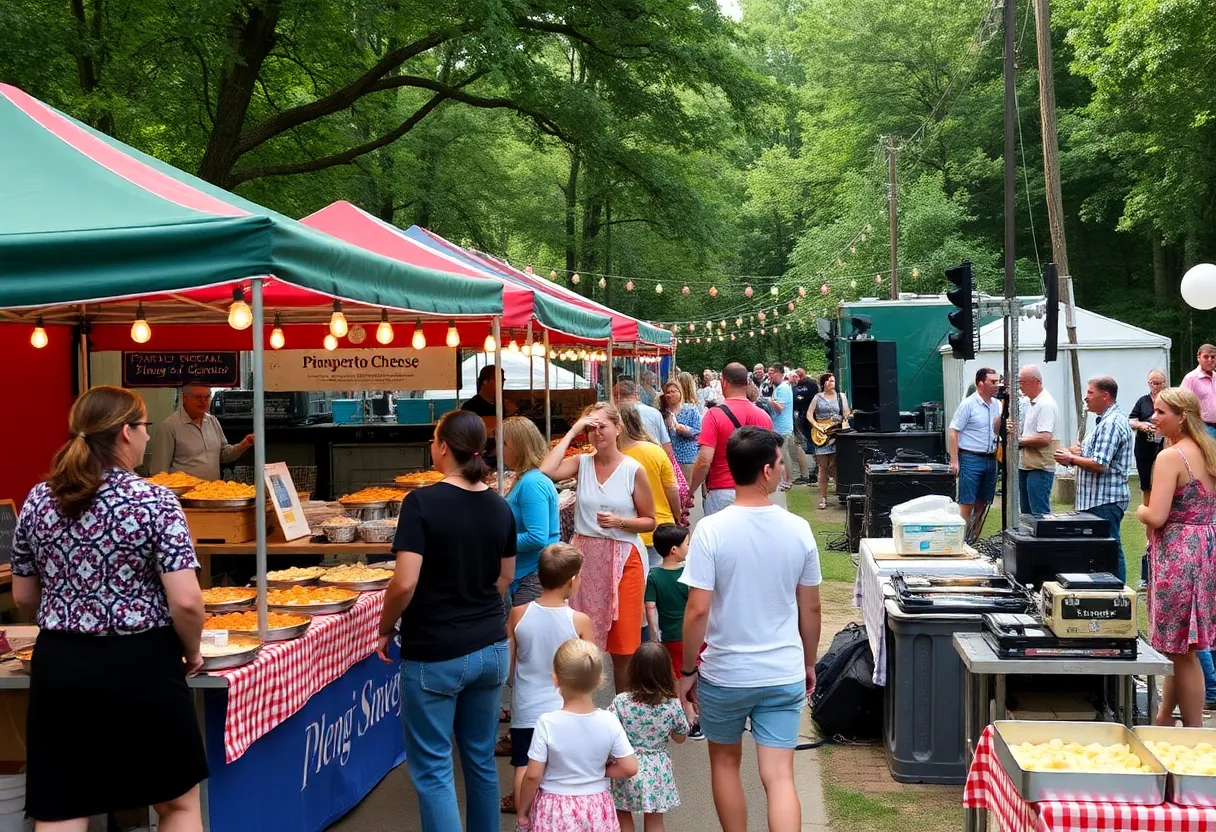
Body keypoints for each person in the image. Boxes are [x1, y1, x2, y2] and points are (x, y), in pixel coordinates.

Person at [12, 386, 208, 828]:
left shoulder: (39, 499)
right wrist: (192, 651)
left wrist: (73, 606)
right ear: (125, 432)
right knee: (176, 802)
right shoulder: (154, 500)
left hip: (60, 663)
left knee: (63, 806)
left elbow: (23, 596)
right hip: (142, 663)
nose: (147, 438)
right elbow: (186, 600)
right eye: (144, 428)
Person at [376, 410, 517, 832]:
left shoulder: (420, 503)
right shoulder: (499, 506)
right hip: (491, 646)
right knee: (480, 761)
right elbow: (505, 578)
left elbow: (403, 583)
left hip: (435, 651)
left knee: (435, 767)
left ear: (441, 447)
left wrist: (385, 627)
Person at [678, 426, 822, 832]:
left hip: (726, 673)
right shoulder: (797, 528)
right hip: (782, 669)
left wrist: (688, 671)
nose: (782, 468)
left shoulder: (710, 530)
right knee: (779, 776)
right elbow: (810, 606)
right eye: (780, 462)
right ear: (765, 471)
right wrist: (808, 662)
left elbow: (697, 611)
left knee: (725, 764)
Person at [542, 402, 657, 691]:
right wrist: (575, 429)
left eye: (602, 427)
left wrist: (620, 522)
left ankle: (623, 709)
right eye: (591, 429)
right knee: (581, 638)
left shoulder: (633, 470)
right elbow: (547, 469)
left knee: (623, 643)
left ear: (618, 429)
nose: (597, 434)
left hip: (623, 555)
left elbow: (650, 521)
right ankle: (581, 708)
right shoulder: (582, 463)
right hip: (586, 558)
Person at [1135, 388, 1216, 727]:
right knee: (1180, 648)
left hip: (1178, 555)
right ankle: (1164, 718)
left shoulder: (1171, 458)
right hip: (1205, 548)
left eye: (1161, 412)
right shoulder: (1208, 450)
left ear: (1182, 416)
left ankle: (1195, 733)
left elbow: (1156, 516)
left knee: (1183, 651)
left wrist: (1139, 509)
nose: (1154, 417)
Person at [503, 544, 597, 815]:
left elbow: (510, 663)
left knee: (523, 764)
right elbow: (590, 669)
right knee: (561, 770)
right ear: (571, 580)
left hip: (526, 706)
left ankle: (524, 818)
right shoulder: (580, 621)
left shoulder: (518, 613)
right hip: (566, 708)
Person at [517, 639, 639, 832]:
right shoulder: (609, 721)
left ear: (556, 679)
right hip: (597, 806)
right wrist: (600, 771)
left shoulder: (547, 723)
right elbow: (630, 767)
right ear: (599, 680)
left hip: (555, 809)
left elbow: (533, 775)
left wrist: (523, 811)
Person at [1053, 376, 1134, 582]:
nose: (1086, 398)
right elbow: (1095, 454)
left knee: (1110, 550)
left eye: (1090, 393)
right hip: (1096, 500)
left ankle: (1118, 597)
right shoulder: (1103, 421)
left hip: (1104, 501)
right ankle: (1102, 592)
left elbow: (1100, 463)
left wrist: (1071, 459)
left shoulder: (1112, 423)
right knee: (1098, 551)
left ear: (1105, 395)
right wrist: (1075, 453)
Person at [609, 644, 690, 832]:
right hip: (657, 768)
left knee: (622, 812)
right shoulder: (671, 704)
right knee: (654, 820)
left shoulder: (621, 702)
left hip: (626, 764)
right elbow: (680, 737)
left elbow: (609, 731)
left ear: (633, 670)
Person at [689, 363, 774, 516]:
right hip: (755, 491)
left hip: (722, 491)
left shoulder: (714, 415)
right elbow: (771, 460)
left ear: (724, 382)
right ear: (747, 383)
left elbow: (704, 461)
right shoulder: (764, 417)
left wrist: (690, 491)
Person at [644, 523, 701, 738]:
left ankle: (686, 719)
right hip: (694, 635)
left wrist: (654, 634)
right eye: (687, 543)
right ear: (674, 550)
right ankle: (695, 720)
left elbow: (650, 607)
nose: (689, 547)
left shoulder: (654, 576)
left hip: (671, 637)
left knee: (678, 679)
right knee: (696, 677)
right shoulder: (689, 574)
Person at [502, 417, 562, 607]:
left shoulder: (532, 483)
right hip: (526, 573)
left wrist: (496, 540)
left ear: (518, 446)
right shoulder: (527, 478)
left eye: (503, 443)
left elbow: (537, 537)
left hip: (531, 576)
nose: (499, 449)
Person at [149, 381, 253, 480]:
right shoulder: (169, 427)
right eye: (198, 397)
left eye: (207, 397)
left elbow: (223, 455)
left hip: (212, 493)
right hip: (184, 496)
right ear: (184, 397)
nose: (203, 401)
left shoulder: (213, 421)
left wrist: (243, 445)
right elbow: (158, 473)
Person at [618, 404, 680, 569]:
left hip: (626, 530)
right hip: (659, 527)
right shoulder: (655, 451)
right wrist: (677, 515)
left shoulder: (612, 456)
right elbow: (672, 489)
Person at [949, 367, 1002, 540]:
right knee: (967, 502)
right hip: (971, 457)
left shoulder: (997, 404)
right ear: (980, 384)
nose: (997, 385)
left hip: (990, 457)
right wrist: (954, 460)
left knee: (982, 503)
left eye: (998, 381)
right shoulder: (968, 404)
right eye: (993, 382)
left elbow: (997, 430)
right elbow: (954, 431)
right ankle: (961, 542)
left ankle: (975, 540)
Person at [1130, 370, 1168, 586]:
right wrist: (1141, 425)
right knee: (1146, 484)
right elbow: (1132, 419)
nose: (1156, 386)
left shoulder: (1168, 399)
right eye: (1153, 383)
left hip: (1162, 444)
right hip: (1145, 444)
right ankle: (1149, 507)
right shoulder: (1143, 401)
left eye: (1159, 382)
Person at [1009, 364, 1060, 517]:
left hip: (1040, 467)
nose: (1020, 386)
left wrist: (1017, 441)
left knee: (1038, 513)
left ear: (1036, 382)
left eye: (1022, 382)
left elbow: (1045, 438)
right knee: (1026, 513)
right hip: (1028, 465)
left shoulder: (1045, 404)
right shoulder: (1032, 403)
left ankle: (1044, 541)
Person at [807, 372, 851, 510]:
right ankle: (823, 497)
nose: (832, 383)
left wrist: (846, 418)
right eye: (829, 380)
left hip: (835, 432)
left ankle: (840, 493)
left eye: (833, 380)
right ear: (823, 383)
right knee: (823, 467)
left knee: (836, 465)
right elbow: (809, 414)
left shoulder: (841, 396)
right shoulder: (817, 397)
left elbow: (846, 413)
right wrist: (817, 425)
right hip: (821, 433)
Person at [769, 364, 808, 489]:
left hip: (783, 427)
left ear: (780, 373)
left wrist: (769, 401)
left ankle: (788, 480)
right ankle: (785, 479)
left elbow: (780, 408)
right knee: (781, 454)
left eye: (773, 373)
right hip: (779, 426)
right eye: (769, 373)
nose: (770, 375)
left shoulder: (783, 388)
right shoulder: (779, 387)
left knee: (784, 454)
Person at [662, 376, 702, 488]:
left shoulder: (691, 410)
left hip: (687, 457)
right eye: (667, 392)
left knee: (687, 490)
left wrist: (683, 429)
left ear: (680, 392)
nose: (670, 395)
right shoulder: (663, 413)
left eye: (673, 391)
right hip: (668, 457)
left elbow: (699, 431)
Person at [1180, 344, 1216, 436]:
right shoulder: (1191, 378)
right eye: (1206, 357)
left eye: (1213, 357)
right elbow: (1181, 402)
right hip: (1203, 427)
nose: (1210, 360)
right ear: (1198, 357)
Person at [792, 369, 819, 456]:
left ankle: (812, 449)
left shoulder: (811, 384)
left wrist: (800, 397)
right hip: (801, 410)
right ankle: (810, 448)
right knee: (804, 430)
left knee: (810, 430)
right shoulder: (795, 384)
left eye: (800, 374)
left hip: (811, 410)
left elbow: (809, 396)